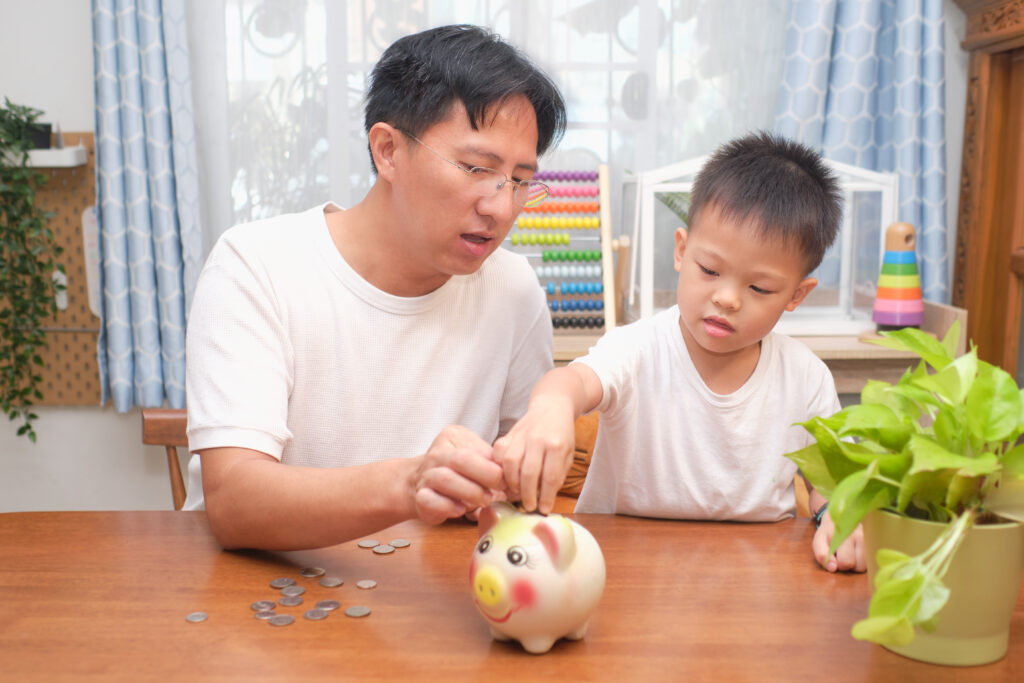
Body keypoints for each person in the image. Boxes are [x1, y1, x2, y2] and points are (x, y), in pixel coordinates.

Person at [182, 25, 566, 551]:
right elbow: (233, 500)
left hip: (427, 597)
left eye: (520, 180)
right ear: (388, 151)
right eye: (477, 167)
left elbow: (519, 493)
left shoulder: (513, 289)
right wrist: (410, 484)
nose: (500, 207)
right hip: (258, 590)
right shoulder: (256, 266)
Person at [494, 131, 866, 573]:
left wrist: (838, 516)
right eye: (709, 270)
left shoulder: (805, 378)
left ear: (796, 295)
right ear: (682, 250)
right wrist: (553, 405)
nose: (727, 298)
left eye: (759, 288)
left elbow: (830, 484)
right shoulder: (636, 349)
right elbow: (574, 382)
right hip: (619, 568)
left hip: (757, 577)